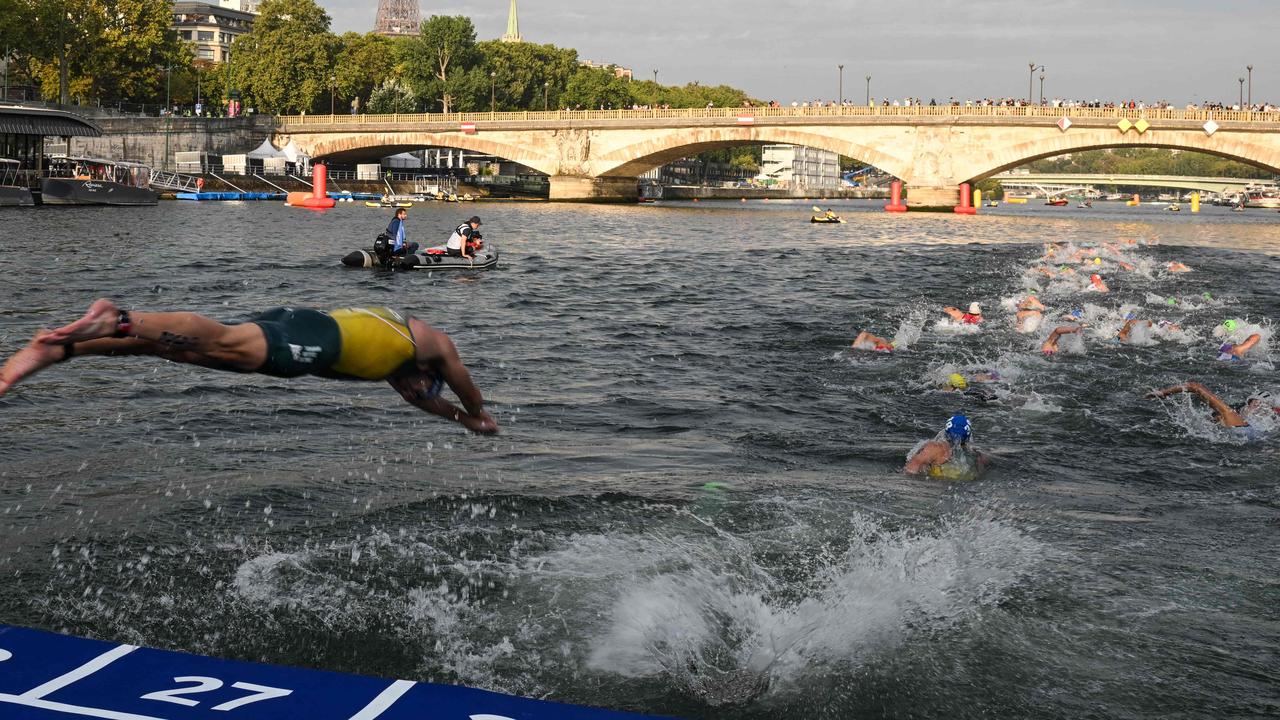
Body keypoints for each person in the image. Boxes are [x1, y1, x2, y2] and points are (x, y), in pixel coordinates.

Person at [0, 299, 499, 434]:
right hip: (313, 337)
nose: (414, 396)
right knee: (223, 341)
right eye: (419, 391)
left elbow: (432, 404)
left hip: (300, 328)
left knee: (180, 350)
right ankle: (120, 317)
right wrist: (477, 413)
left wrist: (457, 420)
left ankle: (61, 350)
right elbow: (460, 380)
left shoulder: (398, 368)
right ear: (423, 375)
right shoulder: (427, 344)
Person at [1147, 382, 1272, 441]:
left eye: (1256, 405)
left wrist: (1164, 393)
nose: (1253, 407)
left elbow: (1195, 387)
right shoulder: (1264, 430)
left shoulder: (1232, 416)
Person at [903, 415, 990, 480]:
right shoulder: (979, 456)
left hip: (937, 486)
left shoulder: (934, 448)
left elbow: (910, 471)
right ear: (968, 435)